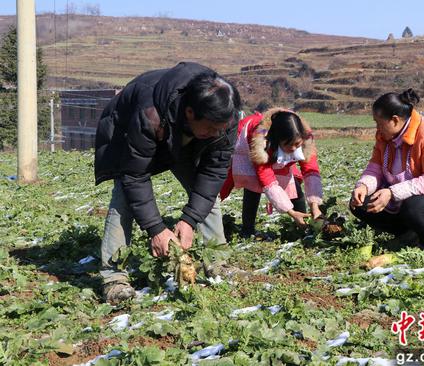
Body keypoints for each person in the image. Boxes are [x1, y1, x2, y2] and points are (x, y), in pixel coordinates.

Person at [95, 62, 241, 304]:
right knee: (124, 195)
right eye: (211, 128)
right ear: (190, 113)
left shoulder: (225, 118)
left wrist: (189, 220)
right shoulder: (149, 113)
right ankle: (114, 278)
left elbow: (213, 173)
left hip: (181, 138)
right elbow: (135, 176)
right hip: (130, 133)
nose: (217, 134)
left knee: (204, 192)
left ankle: (217, 262)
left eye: (220, 129)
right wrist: (156, 229)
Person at [350, 89, 424, 257]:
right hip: (402, 199)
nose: (377, 128)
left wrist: (392, 192)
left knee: (415, 207)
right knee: (361, 204)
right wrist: (363, 187)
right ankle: (408, 234)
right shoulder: (384, 137)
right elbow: (375, 167)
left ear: (395, 121)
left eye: (379, 123)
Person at [220, 108, 323, 237]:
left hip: (275, 150)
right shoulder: (261, 141)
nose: (293, 148)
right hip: (247, 145)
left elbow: (310, 171)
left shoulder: (305, 139)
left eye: (297, 144)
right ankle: (247, 230)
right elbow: (266, 178)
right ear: (277, 140)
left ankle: (303, 223)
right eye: (287, 144)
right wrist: (290, 212)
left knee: (294, 185)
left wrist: (315, 205)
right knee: (253, 186)